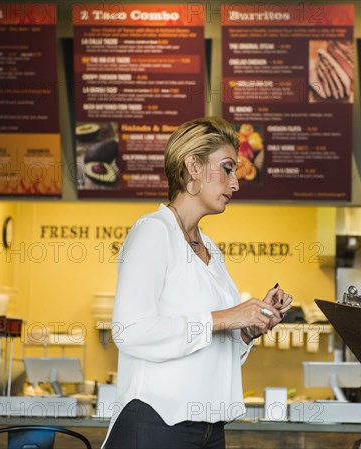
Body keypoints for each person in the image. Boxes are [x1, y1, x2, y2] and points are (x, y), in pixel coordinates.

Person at [102, 117, 293, 449]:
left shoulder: (211, 249)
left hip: (208, 429)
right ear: (193, 165)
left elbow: (213, 347)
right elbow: (129, 331)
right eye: (228, 168)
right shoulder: (153, 232)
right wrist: (227, 317)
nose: (235, 183)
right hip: (156, 424)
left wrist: (249, 329)